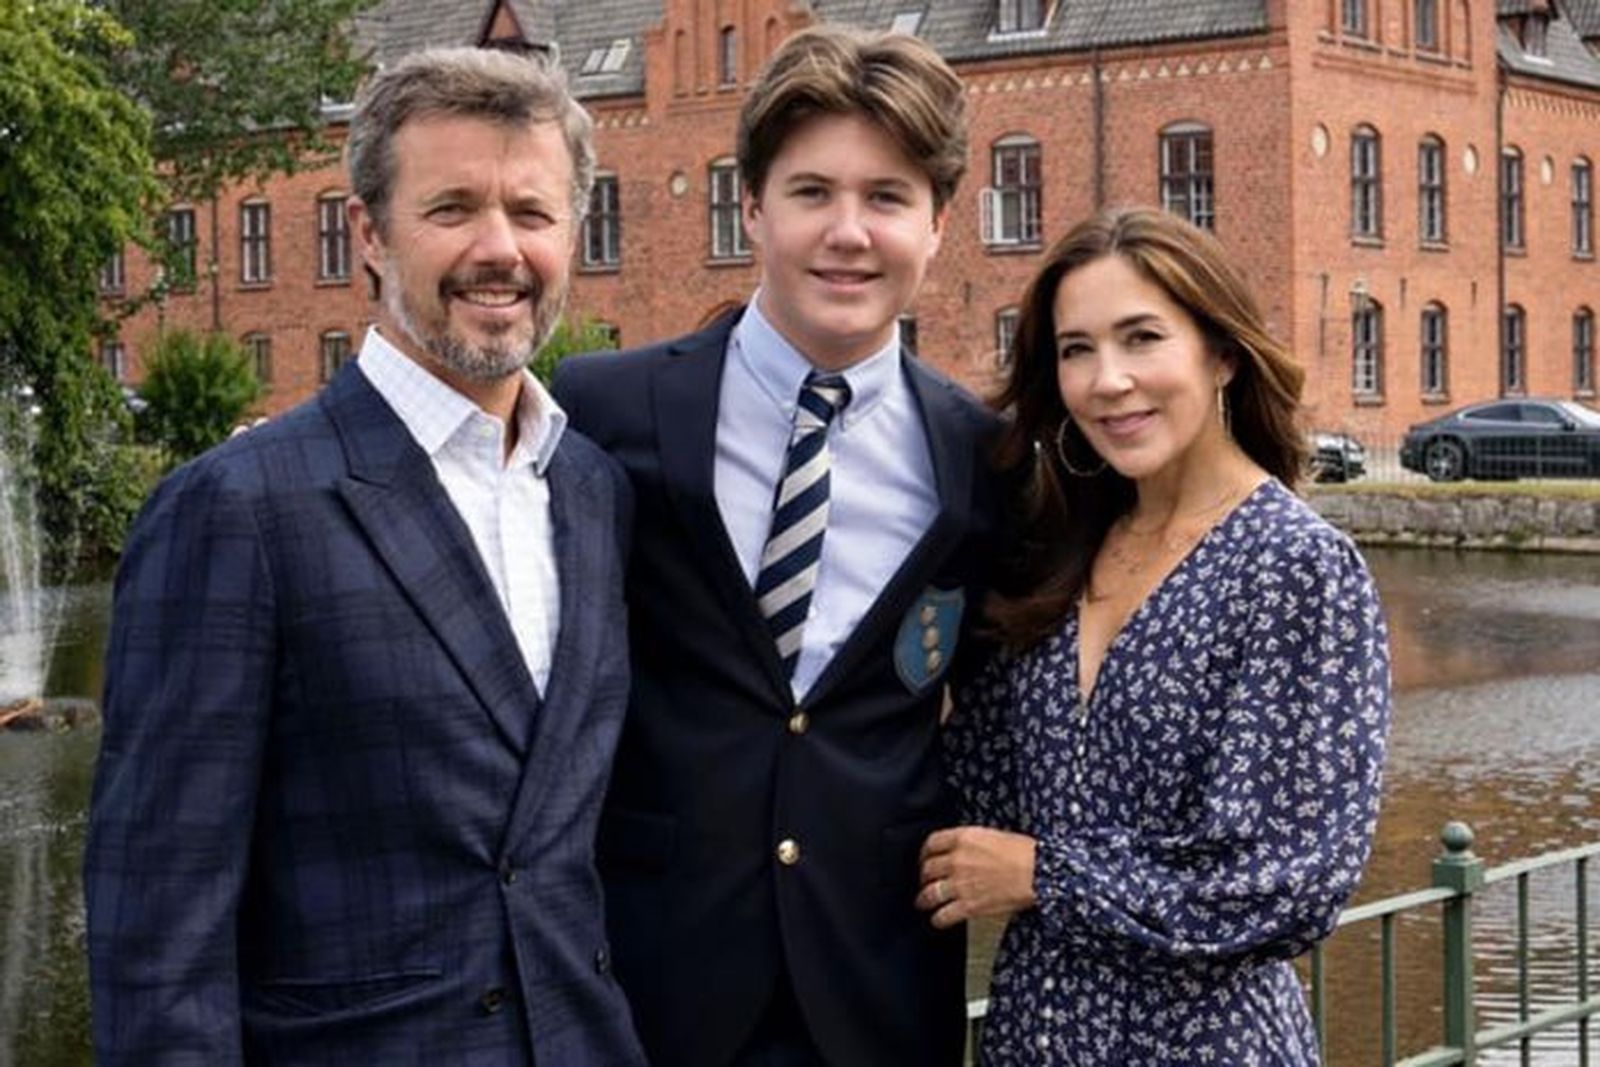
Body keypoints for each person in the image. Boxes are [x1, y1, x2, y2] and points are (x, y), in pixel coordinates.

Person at [84, 47, 645, 1066]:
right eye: (451, 209)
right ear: (369, 237)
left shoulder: (593, 493)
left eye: (531, 212)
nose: (498, 249)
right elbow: (158, 929)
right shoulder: (236, 509)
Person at [553, 25, 1000, 1067]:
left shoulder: (982, 458)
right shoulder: (601, 411)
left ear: (939, 222)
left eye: (887, 197)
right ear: (751, 205)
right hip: (648, 976)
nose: (848, 231)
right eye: (812, 192)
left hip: (878, 981)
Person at [917, 208, 1392, 1064]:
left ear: (1221, 353)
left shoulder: (1295, 567)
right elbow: (976, 790)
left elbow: (1288, 883)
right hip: (1036, 1036)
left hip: (1205, 1045)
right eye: (1076, 350)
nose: (1108, 380)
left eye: (1142, 338)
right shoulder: (1058, 552)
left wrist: (1043, 876)